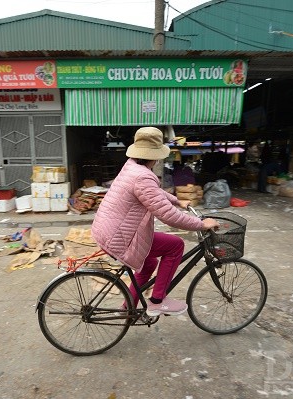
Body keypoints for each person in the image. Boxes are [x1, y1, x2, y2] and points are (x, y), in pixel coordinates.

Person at [91, 127, 220, 316]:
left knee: (148, 263)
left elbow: (153, 193)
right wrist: (201, 224)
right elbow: (168, 216)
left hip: (107, 229)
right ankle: (158, 300)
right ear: (156, 154)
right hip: (119, 236)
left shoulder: (132, 167)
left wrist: (177, 201)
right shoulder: (143, 176)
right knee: (175, 246)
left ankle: (128, 307)